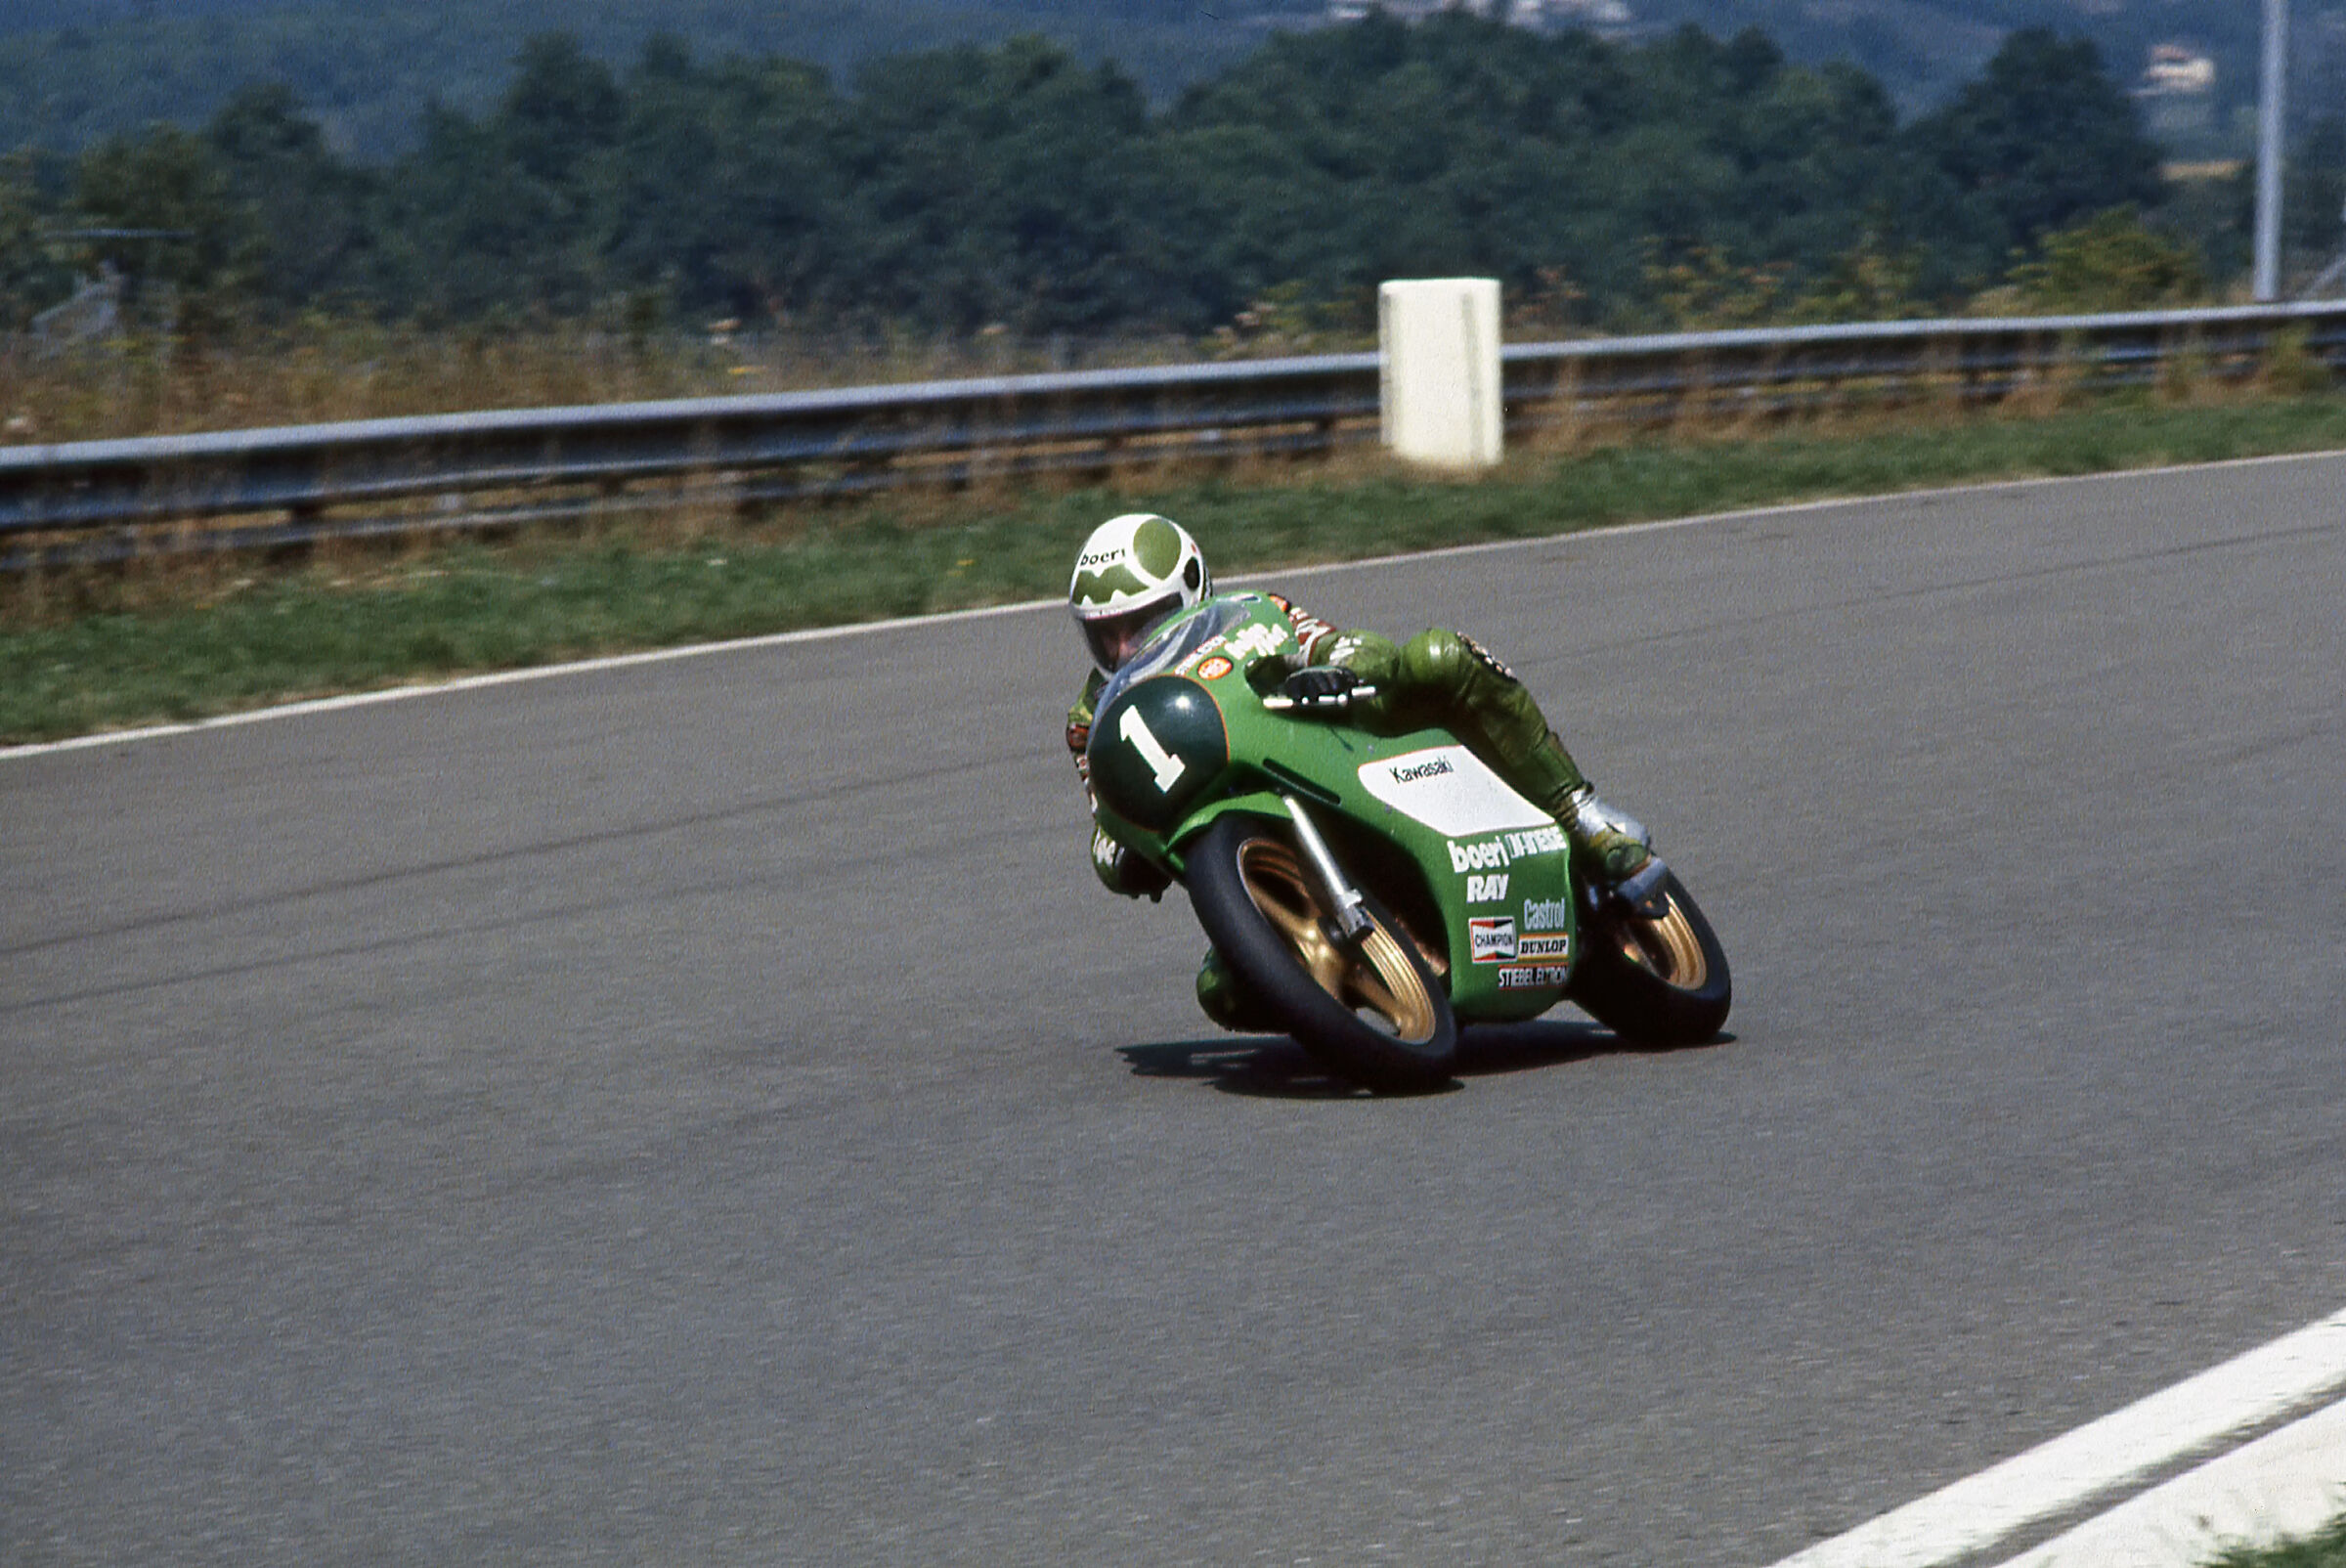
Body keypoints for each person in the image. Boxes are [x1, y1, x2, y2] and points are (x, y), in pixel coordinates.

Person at [1064, 511, 1656, 1030]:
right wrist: (1123, 855)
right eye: (1103, 635)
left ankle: (1582, 815)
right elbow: (1104, 822)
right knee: (1224, 992)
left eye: (1139, 624)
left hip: (1344, 764)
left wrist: (1335, 667)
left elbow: (1346, 645)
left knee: (1439, 656)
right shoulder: (1095, 719)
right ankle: (1374, 1010)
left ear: (1191, 589)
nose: (1122, 651)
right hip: (1262, 853)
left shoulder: (1253, 615)